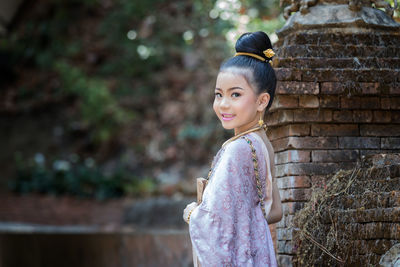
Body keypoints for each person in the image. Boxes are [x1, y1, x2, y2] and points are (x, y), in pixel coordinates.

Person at [182, 31, 283, 266]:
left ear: (262, 101)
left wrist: (191, 214)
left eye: (235, 94)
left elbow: (213, 221)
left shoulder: (238, 150)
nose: (223, 104)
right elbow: (274, 211)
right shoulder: (261, 143)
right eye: (219, 95)